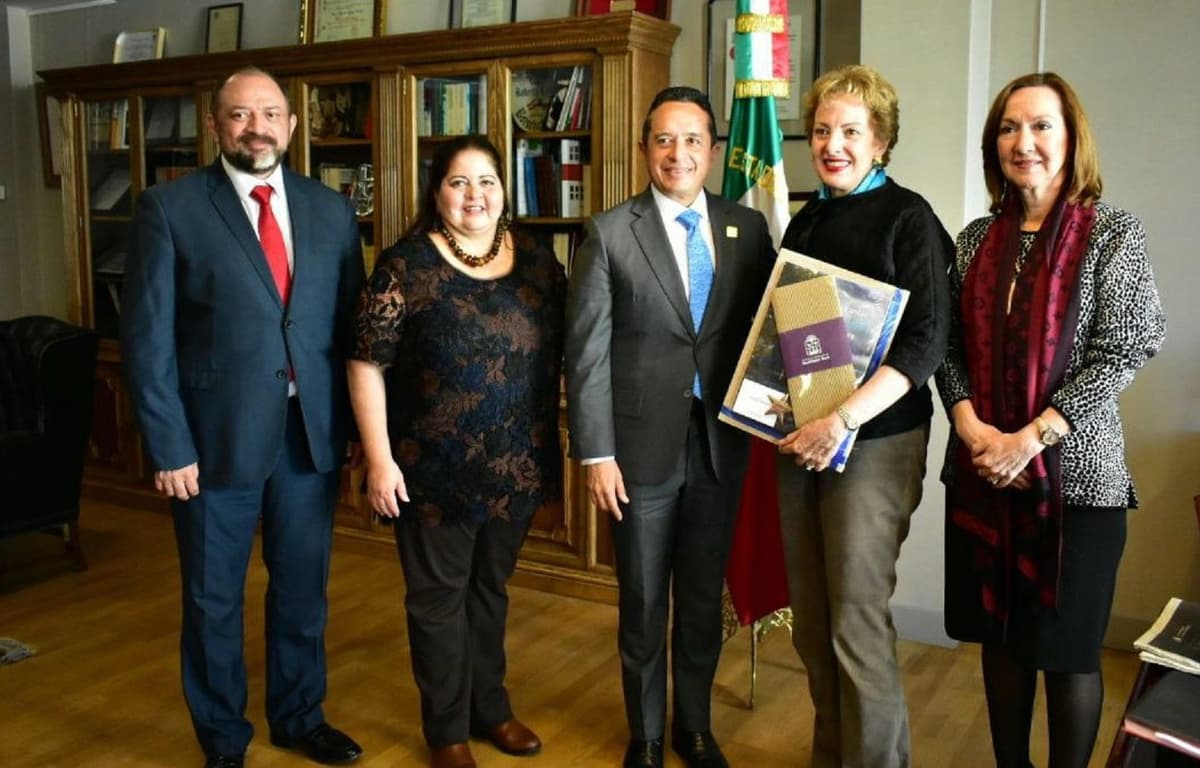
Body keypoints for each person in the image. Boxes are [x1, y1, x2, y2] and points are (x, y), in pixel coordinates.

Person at [121, 67, 365, 768]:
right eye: (239, 115)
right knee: (213, 600)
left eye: (269, 114)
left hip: (307, 438)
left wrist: (351, 430)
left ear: (291, 125)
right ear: (215, 126)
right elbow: (147, 340)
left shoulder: (330, 210)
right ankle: (224, 741)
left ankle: (299, 717)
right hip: (210, 442)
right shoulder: (169, 208)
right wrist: (169, 445)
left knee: (302, 593)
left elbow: (351, 330)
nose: (256, 128)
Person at [937, 72, 1165, 768]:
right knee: (1001, 644)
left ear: (1071, 139)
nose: (1024, 142)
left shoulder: (1112, 233)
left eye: (1041, 126)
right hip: (984, 474)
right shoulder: (974, 240)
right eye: (1009, 128)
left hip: (1078, 483)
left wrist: (1032, 438)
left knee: (1067, 655)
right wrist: (972, 428)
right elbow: (947, 347)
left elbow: (1128, 343)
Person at [565, 86, 774, 768]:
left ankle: (694, 727)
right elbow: (586, 353)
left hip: (722, 444)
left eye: (692, 140)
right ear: (644, 149)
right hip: (638, 450)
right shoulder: (608, 233)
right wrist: (596, 453)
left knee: (703, 600)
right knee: (644, 599)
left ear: (713, 150)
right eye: (663, 140)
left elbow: (771, 332)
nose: (677, 154)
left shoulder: (748, 229)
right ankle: (648, 735)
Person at [347, 135, 563, 768]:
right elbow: (366, 364)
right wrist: (379, 459)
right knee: (438, 601)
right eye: (459, 182)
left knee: (490, 590)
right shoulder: (404, 265)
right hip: (430, 469)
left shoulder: (538, 260)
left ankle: (490, 709)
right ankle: (446, 731)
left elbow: (576, 342)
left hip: (516, 464)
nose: (475, 195)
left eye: (487, 181)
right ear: (436, 192)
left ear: (504, 189)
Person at [773, 65, 952, 768]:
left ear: (880, 141)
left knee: (854, 622)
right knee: (812, 626)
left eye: (851, 131)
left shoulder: (910, 219)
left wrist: (842, 420)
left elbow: (927, 342)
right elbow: (790, 332)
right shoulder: (808, 219)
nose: (833, 145)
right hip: (803, 438)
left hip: (874, 440)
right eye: (822, 131)